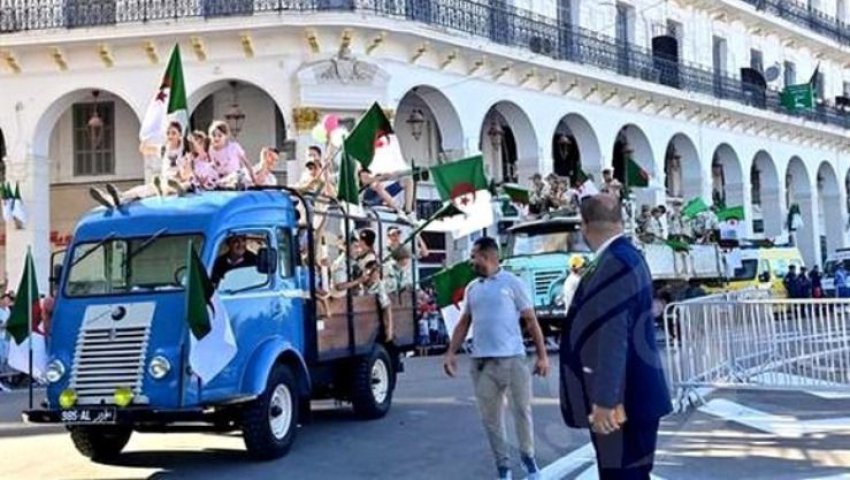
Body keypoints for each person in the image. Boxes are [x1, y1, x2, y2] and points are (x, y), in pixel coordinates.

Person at [559, 194, 671, 479]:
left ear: (583, 226)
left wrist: (606, 400)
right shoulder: (626, 255)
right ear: (620, 221)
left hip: (623, 403)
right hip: (632, 397)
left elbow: (613, 334)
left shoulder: (614, 262)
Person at [443, 237, 549, 480]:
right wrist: (451, 353)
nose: (471, 261)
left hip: (512, 360)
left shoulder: (512, 283)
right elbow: (463, 323)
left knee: (521, 411)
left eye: (474, 256)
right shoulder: (473, 288)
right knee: (491, 419)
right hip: (482, 363)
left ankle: (529, 460)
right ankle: (503, 467)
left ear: (488, 256)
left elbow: (531, 321)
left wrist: (542, 357)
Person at [361, 260, 394, 341]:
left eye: (378, 271)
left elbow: (386, 305)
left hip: (371, 321)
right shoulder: (360, 283)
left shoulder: (379, 285)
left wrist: (389, 328)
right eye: (374, 271)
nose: (377, 274)